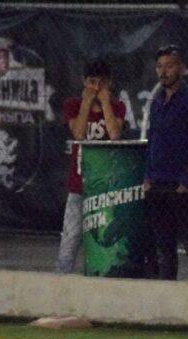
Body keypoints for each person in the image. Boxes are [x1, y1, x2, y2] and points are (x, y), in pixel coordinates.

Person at [57, 60, 125, 274]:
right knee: (71, 236)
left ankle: (105, 275)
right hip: (79, 184)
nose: (96, 88)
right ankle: (61, 280)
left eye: (102, 83)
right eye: (92, 82)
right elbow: (78, 134)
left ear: (109, 83)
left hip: (107, 185)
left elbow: (114, 135)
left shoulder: (117, 106)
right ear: (83, 82)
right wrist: (86, 103)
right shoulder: (73, 105)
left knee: (106, 235)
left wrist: (105, 103)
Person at [145, 45, 188, 280]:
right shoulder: (157, 101)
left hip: (181, 186)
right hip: (157, 184)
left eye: (169, 66)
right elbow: (152, 138)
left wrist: (187, 181)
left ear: (181, 68)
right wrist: (148, 177)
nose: (163, 71)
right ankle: (166, 292)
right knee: (163, 247)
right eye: (159, 66)